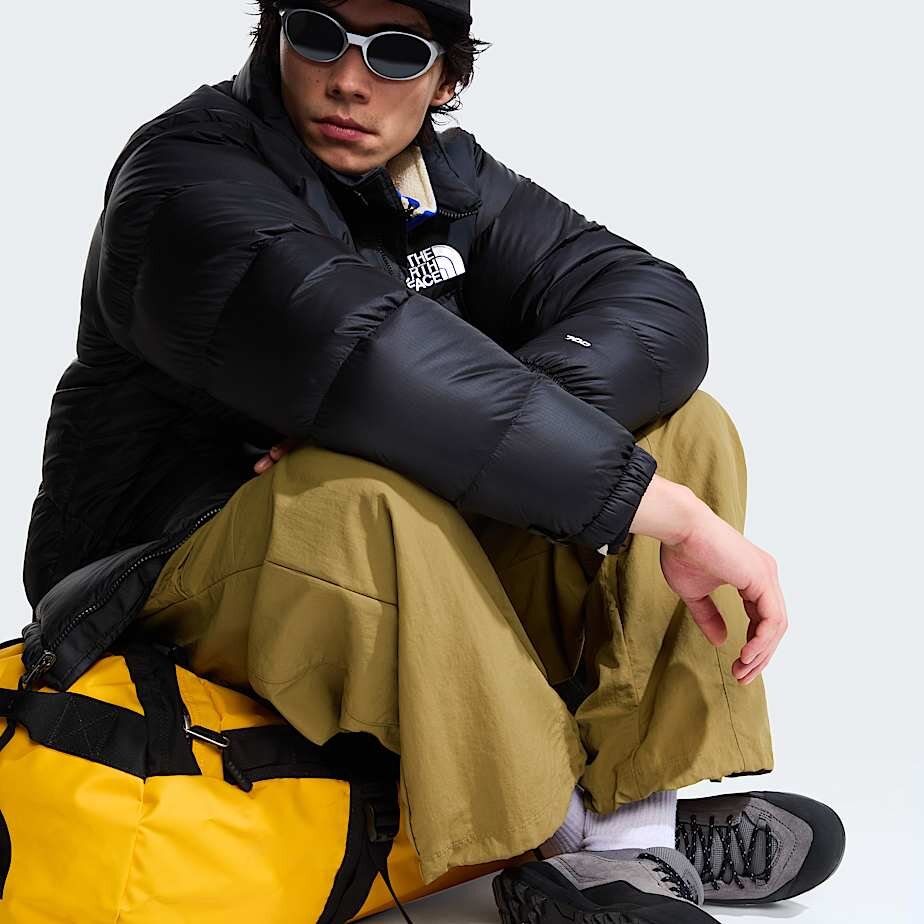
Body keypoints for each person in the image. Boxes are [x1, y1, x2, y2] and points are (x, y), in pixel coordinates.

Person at [21, 0, 845, 920]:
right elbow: (360, 351)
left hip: (365, 569)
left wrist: (442, 428)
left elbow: (651, 305)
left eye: (396, 53)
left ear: (446, 79)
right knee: (361, 494)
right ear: (275, 37)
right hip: (156, 578)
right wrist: (667, 516)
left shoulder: (442, 180)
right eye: (318, 35)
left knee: (682, 427)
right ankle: (561, 831)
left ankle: (630, 830)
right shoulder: (186, 174)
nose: (348, 81)